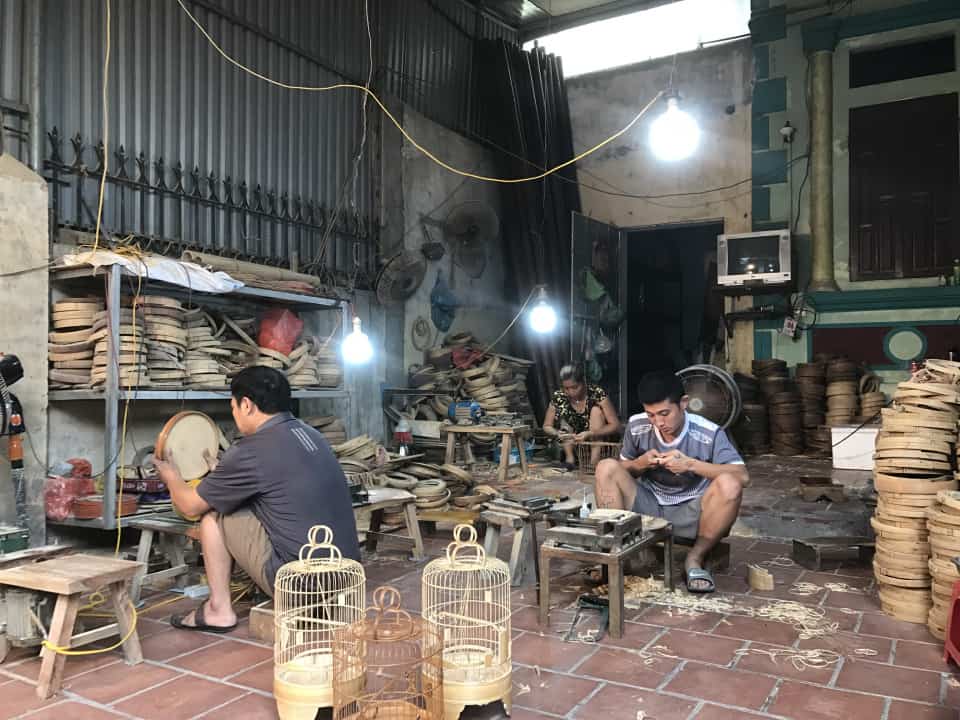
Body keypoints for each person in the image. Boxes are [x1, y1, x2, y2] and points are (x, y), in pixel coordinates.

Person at [155, 366, 360, 632]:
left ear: (247, 405)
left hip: (302, 587)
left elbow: (189, 505)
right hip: (348, 580)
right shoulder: (313, 435)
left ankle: (218, 610)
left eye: (233, 407)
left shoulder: (250, 450)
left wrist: (171, 475)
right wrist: (224, 472)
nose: (235, 413)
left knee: (214, 516)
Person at [595, 370, 747, 593]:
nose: (658, 422)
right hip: (648, 505)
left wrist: (690, 465)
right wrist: (640, 464)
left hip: (693, 511)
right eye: (651, 415)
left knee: (730, 484)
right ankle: (618, 555)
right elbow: (621, 469)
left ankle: (695, 559)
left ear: (684, 403)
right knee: (605, 467)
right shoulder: (637, 427)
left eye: (665, 413)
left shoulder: (708, 432)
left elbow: (743, 476)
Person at [543, 364, 621, 469]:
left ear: (583, 382)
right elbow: (546, 426)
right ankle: (570, 460)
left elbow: (615, 425)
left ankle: (593, 463)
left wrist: (591, 433)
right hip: (576, 443)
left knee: (596, 411)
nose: (571, 392)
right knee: (564, 418)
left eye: (575, 387)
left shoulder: (597, 393)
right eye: (566, 388)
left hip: (600, 441)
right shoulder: (559, 396)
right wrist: (557, 433)